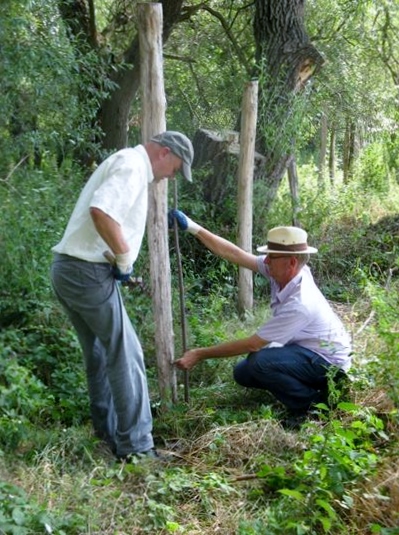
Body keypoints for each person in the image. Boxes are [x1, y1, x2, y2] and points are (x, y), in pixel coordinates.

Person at [51, 131, 194, 460]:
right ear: (163, 152)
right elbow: (102, 212)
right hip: (85, 272)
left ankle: (108, 436)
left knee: (101, 354)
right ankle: (138, 449)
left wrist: (118, 259)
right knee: (127, 355)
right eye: (175, 168)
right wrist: (124, 256)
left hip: (69, 270)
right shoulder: (132, 165)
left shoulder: (128, 164)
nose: (171, 176)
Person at [168, 210, 352, 426]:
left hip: (330, 366)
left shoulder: (301, 303)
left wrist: (200, 354)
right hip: (307, 352)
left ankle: (311, 408)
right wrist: (192, 226)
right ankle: (300, 389)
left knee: (259, 362)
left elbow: (253, 344)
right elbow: (235, 254)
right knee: (243, 373)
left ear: (292, 262)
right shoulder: (284, 271)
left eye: (272, 256)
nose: (266, 260)